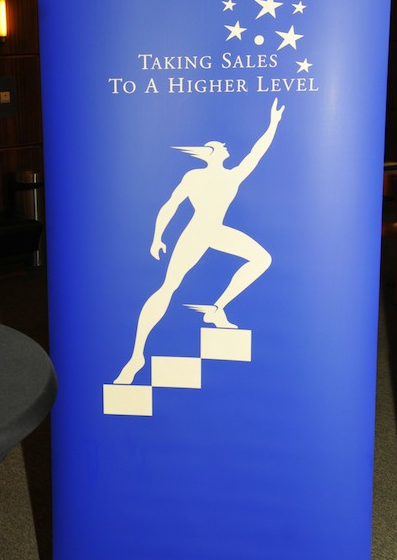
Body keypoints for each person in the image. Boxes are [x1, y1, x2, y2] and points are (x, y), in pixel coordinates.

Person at [114, 98, 285, 385]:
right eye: (221, 146)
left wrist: (273, 123)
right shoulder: (194, 176)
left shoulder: (232, 176)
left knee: (262, 259)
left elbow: (258, 151)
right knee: (168, 288)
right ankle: (136, 357)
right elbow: (171, 204)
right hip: (194, 233)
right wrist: (157, 237)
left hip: (215, 231)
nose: (227, 147)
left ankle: (217, 309)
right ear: (212, 154)